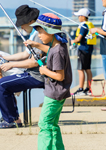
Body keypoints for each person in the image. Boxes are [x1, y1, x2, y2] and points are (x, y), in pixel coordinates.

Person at [24, 13, 72, 150]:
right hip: (58, 93)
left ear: (50, 32)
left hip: (54, 94)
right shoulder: (58, 46)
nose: (38, 34)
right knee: (52, 125)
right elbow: (50, 51)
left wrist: (45, 71)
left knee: (44, 124)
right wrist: (36, 45)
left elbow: (59, 76)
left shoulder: (57, 52)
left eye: (40, 31)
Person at [0, 5, 46, 129]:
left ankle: (11, 120)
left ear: (30, 21)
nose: (21, 27)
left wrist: (11, 65)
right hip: (34, 73)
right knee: (3, 84)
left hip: (39, 76)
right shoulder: (35, 33)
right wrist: (4, 57)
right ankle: (14, 119)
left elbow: (34, 62)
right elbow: (24, 54)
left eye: (22, 24)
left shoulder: (40, 35)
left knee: (0, 85)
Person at [0, 50, 24, 125]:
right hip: (19, 74)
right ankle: (11, 116)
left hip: (18, 76)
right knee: (4, 89)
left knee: (1, 89)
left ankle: (10, 118)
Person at [71, 8, 95, 95]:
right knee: (88, 69)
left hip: (82, 50)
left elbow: (79, 38)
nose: (78, 17)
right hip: (88, 49)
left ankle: (81, 89)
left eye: (79, 16)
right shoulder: (89, 24)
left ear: (83, 17)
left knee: (80, 69)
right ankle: (88, 89)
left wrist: (73, 41)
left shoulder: (83, 25)